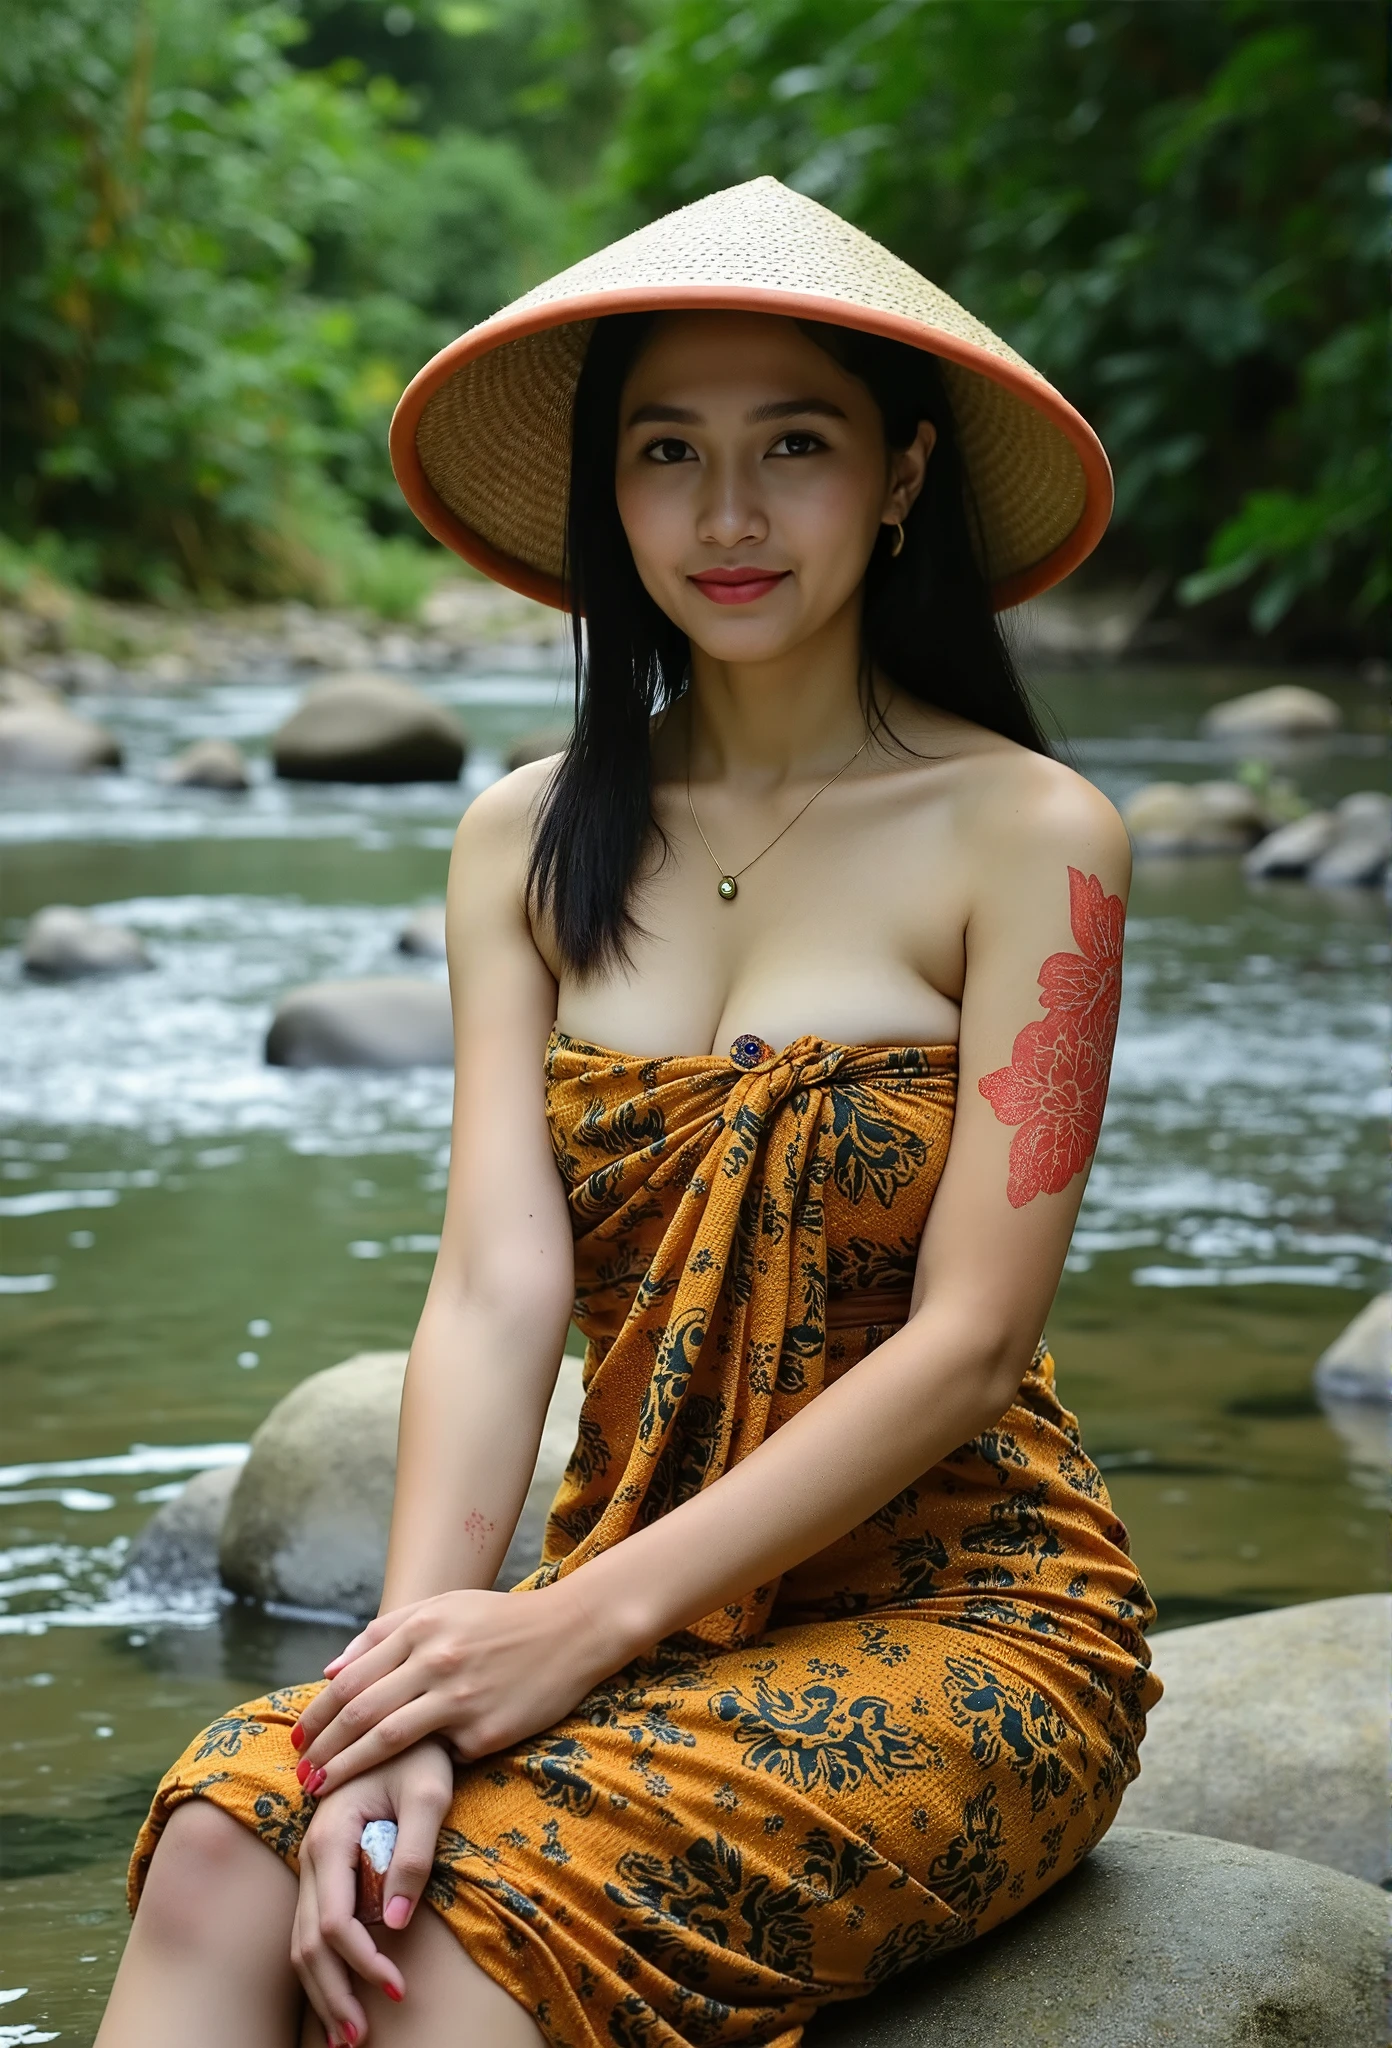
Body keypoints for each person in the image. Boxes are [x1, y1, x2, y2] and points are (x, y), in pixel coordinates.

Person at [98, 177, 1160, 2048]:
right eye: (668, 452)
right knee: (227, 1842)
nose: (727, 515)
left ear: (900, 478)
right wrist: (409, 1687)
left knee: (441, 1950)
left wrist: (570, 1634)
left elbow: (976, 1346)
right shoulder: (523, 838)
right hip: (608, 1583)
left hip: (963, 1620)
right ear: (610, 494)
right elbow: (497, 1294)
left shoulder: (1032, 836)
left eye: (794, 448)